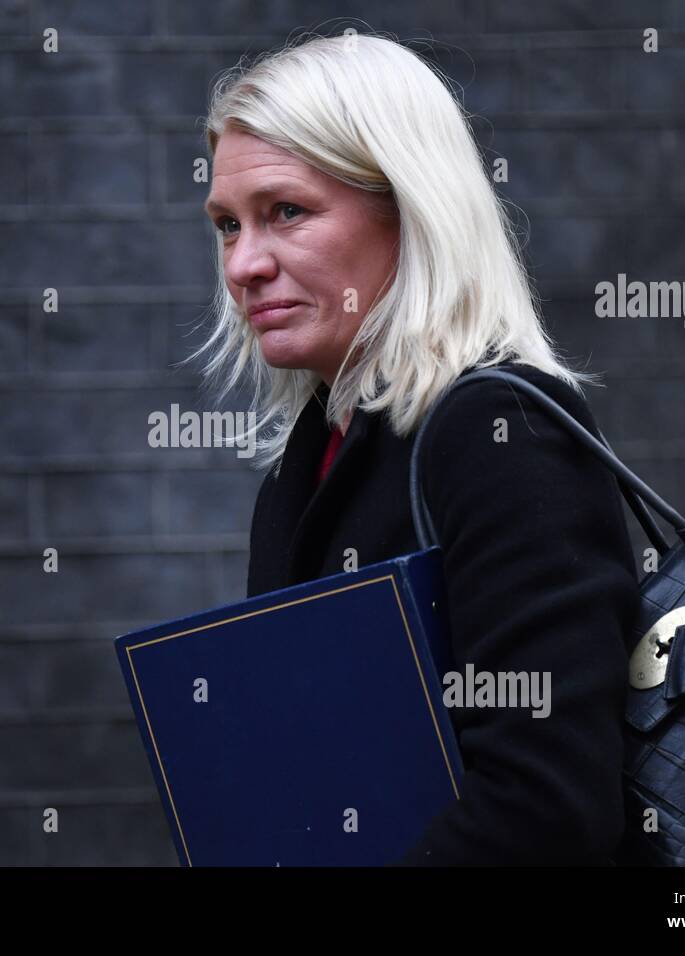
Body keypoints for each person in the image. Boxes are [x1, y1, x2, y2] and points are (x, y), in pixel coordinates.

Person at [186, 32, 642, 865]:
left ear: (412, 205)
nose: (244, 263)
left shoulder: (503, 434)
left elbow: (549, 811)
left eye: (286, 211)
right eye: (226, 225)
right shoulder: (310, 459)